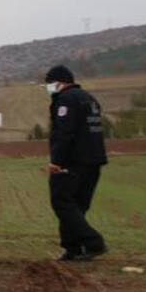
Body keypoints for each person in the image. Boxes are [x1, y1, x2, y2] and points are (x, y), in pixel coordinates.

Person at [44, 65, 108, 261]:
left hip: (73, 162)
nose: (48, 88)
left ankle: (93, 242)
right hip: (94, 160)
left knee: (61, 202)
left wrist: (56, 161)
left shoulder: (65, 100)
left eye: (49, 84)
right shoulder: (89, 98)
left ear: (59, 82)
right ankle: (73, 248)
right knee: (77, 206)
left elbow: (65, 133)